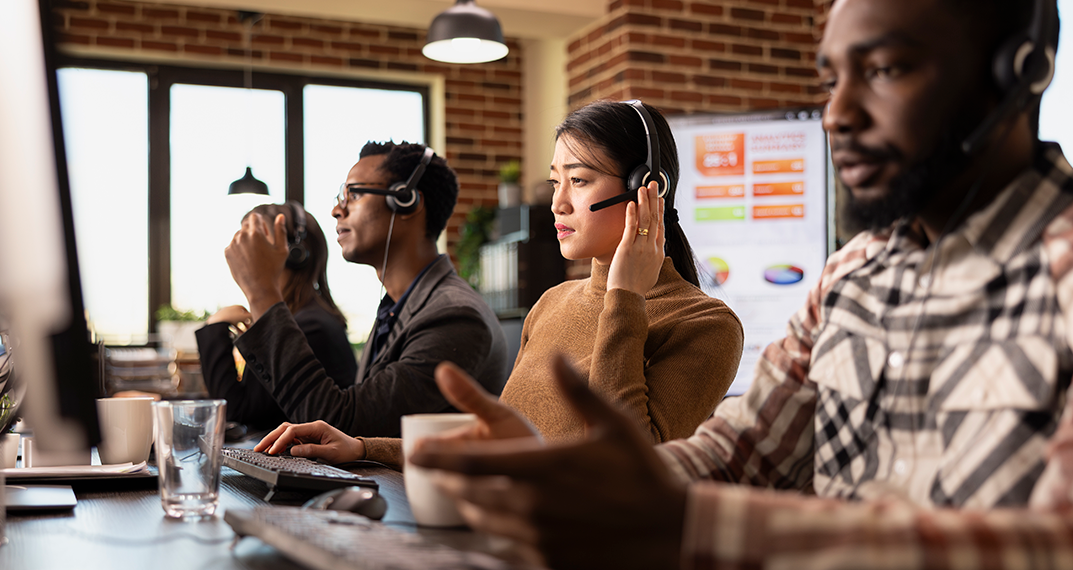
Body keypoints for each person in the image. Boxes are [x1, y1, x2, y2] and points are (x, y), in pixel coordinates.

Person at [407, 0, 1073, 568]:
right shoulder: (852, 277)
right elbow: (740, 453)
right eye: (831, 79)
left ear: (1019, 72)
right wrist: (583, 484)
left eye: (886, 69)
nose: (835, 114)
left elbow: (1053, 544)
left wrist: (685, 525)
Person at [256, 101, 744, 466]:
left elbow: (621, 462)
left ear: (647, 187)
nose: (558, 204)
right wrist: (364, 447)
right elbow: (500, 441)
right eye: (556, 182)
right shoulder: (553, 302)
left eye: (579, 180)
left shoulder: (706, 325)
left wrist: (626, 298)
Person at [223, 141, 508, 437]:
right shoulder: (397, 307)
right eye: (340, 196)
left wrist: (262, 293)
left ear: (406, 200)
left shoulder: (454, 315)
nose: (336, 210)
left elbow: (343, 425)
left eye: (354, 194)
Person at [195, 202, 357, 430]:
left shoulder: (310, 327)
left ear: (294, 253)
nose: (242, 255)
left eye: (252, 245)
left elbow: (238, 413)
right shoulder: (302, 317)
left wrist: (216, 326)